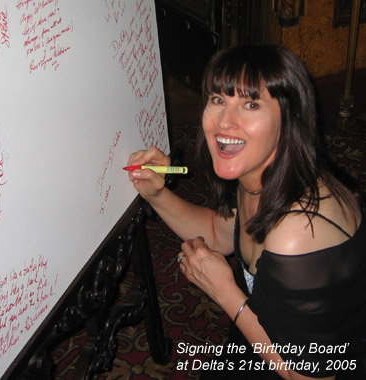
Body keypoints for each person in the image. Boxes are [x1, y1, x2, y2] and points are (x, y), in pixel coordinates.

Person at [126, 45, 366, 379]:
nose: (225, 122)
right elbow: (217, 233)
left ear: (289, 117)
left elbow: (311, 377)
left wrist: (226, 292)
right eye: (218, 99)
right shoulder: (259, 174)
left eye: (251, 104)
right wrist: (158, 194)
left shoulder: (296, 233)